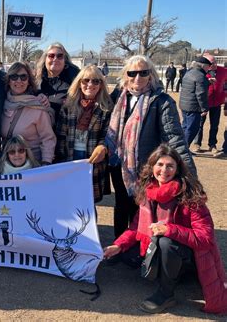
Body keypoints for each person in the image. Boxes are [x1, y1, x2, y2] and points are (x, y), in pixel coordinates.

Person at [104, 144, 226, 315]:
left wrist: (169, 229)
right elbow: (135, 228)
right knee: (123, 255)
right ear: (152, 167)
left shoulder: (190, 196)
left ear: (177, 170)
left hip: (187, 258)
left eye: (170, 166)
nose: (164, 170)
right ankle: (157, 268)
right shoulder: (149, 191)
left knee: (166, 241)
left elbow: (205, 238)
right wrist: (118, 245)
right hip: (156, 248)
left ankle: (166, 293)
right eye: (159, 164)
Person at [106, 55, 196, 238]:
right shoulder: (117, 96)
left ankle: (137, 247)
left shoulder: (161, 101)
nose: (137, 78)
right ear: (125, 75)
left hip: (145, 165)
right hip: (119, 163)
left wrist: (191, 175)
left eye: (143, 72)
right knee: (121, 203)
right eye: (132, 73)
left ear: (151, 75)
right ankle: (119, 244)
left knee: (141, 207)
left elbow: (174, 139)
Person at [56, 64, 113, 203]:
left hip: (92, 159)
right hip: (70, 157)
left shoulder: (106, 109)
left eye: (95, 81)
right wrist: (61, 161)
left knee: (89, 201)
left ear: (101, 85)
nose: (90, 84)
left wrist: (102, 148)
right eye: (86, 80)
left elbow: (106, 136)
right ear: (79, 83)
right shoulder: (68, 107)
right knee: (69, 199)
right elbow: (61, 136)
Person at [1, 61, 56, 165]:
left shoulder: (37, 107)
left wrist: (45, 163)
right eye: (14, 77)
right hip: (9, 164)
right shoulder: (3, 104)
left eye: (23, 77)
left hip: (32, 166)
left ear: (29, 81)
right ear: (8, 81)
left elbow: (48, 138)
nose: (19, 81)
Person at [35, 42, 80, 125]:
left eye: (59, 56)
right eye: (51, 56)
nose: (55, 59)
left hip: (63, 132)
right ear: (45, 59)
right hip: (38, 131)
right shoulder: (35, 80)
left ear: (65, 60)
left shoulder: (76, 82)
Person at [192, 53, 227, 155]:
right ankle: (197, 144)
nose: (215, 64)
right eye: (212, 63)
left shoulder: (223, 71)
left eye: (215, 61)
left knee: (214, 125)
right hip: (203, 103)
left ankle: (212, 145)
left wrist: (225, 94)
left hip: (217, 103)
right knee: (199, 124)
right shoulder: (200, 72)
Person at [179, 56, 211, 148]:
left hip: (185, 105)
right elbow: (201, 94)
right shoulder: (201, 76)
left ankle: (180, 148)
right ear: (203, 66)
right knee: (192, 128)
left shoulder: (189, 73)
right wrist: (204, 108)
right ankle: (184, 150)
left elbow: (193, 86)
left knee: (185, 127)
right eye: (208, 66)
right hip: (193, 107)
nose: (208, 69)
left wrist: (207, 82)